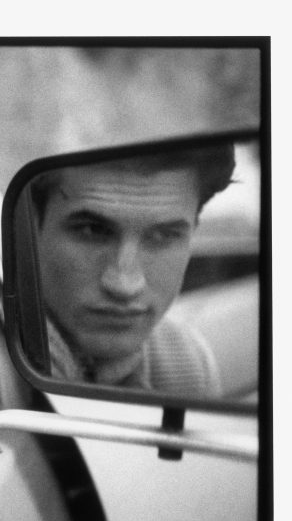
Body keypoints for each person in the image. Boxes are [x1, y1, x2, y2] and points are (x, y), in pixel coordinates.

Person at [29, 145, 235, 395]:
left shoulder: (187, 364)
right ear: (32, 228)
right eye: (92, 230)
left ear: (193, 233)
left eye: (163, 235)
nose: (124, 285)